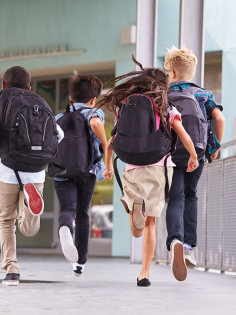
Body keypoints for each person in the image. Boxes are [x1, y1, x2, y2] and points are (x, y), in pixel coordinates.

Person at [99, 58, 199, 287]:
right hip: (159, 167)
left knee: (137, 231)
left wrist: (106, 168)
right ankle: (146, 272)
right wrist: (193, 156)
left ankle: (136, 212)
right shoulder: (166, 107)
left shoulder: (126, 106)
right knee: (151, 223)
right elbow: (184, 136)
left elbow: (110, 144)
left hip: (132, 168)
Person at [0, 66, 64, 286]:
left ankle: (12, 270)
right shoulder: (40, 103)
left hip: (6, 170)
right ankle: (30, 206)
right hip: (35, 173)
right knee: (28, 228)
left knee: (6, 221)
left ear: (3, 85)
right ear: (29, 86)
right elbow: (59, 134)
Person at [163, 46, 225, 278]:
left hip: (170, 154)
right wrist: (215, 145)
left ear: (173, 73)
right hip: (196, 154)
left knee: (175, 198)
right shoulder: (204, 94)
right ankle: (188, 248)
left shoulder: (163, 95)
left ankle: (175, 240)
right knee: (191, 196)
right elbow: (219, 117)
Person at [53, 74, 109, 277]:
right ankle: (80, 263)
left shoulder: (58, 118)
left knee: (68, 209)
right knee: (83, 214)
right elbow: (95, 125)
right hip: (87, 170)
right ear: (94, 98)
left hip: (62, 171)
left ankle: (65, 227)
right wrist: (105, 145)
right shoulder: (95, 112)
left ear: (70, 97)